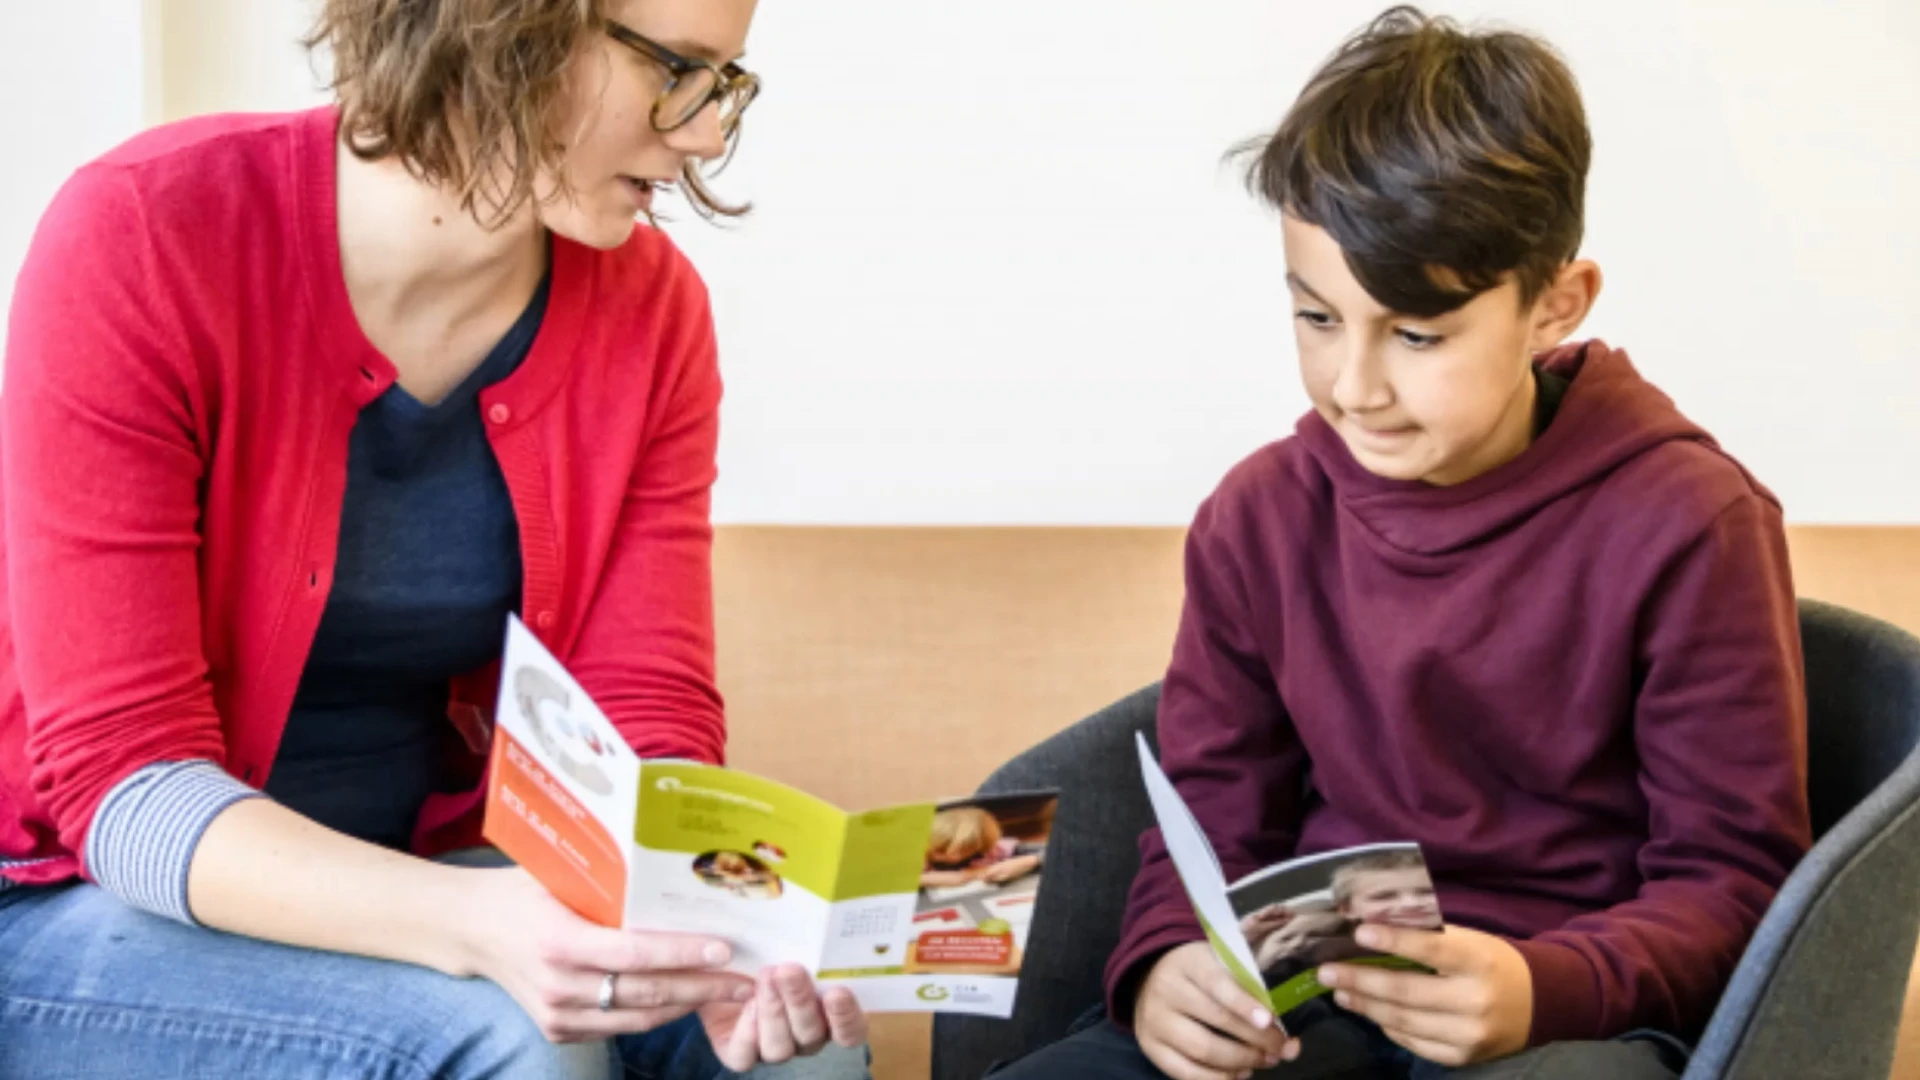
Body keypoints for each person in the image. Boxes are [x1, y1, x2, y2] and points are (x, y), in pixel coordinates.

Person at [0, 2, 870, 1077]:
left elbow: (640, 717)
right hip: (72, 900)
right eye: (679, 70)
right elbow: (125, 788)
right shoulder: (147, 230)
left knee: (796, 1056)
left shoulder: (653, 311)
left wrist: (720, 939)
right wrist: (478, 925)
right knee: (515, 1043)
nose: (701, 135)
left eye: (725, 82)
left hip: (441, 872)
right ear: (506, 29)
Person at [990, 7, 1808, 1080]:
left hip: (1569, 1016)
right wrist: (1164, 965)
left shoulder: (1691, 523)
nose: (1355, 386)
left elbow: (1737, 883)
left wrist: (1540, 990)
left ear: (1554, 303)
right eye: (1317, 319)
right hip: (1310, 1003)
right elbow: (1205, 828)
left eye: (1417, 334)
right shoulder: (1258, 519)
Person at [920, 806, 1043, 890]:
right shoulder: (916, 857)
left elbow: (1056, 851)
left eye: (967, 849)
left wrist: (1029, 860)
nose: (954, 856)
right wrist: (921, 879)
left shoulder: (995, 849)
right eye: (941, 850)